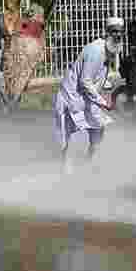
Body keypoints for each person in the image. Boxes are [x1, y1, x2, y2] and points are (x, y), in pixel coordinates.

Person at [53, 17, 124, 173]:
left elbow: (95, 77)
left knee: (98, 128)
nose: (118, 36)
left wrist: (106, 87)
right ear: (107, 33)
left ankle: (89, 165)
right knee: (71, 137)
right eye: (114, 32)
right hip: (72, 98)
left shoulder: (108, 50)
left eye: (120, 33)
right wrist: (103, 102)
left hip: (85, 99)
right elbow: (85, 81)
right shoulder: (96, 51)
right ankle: (66, 172)